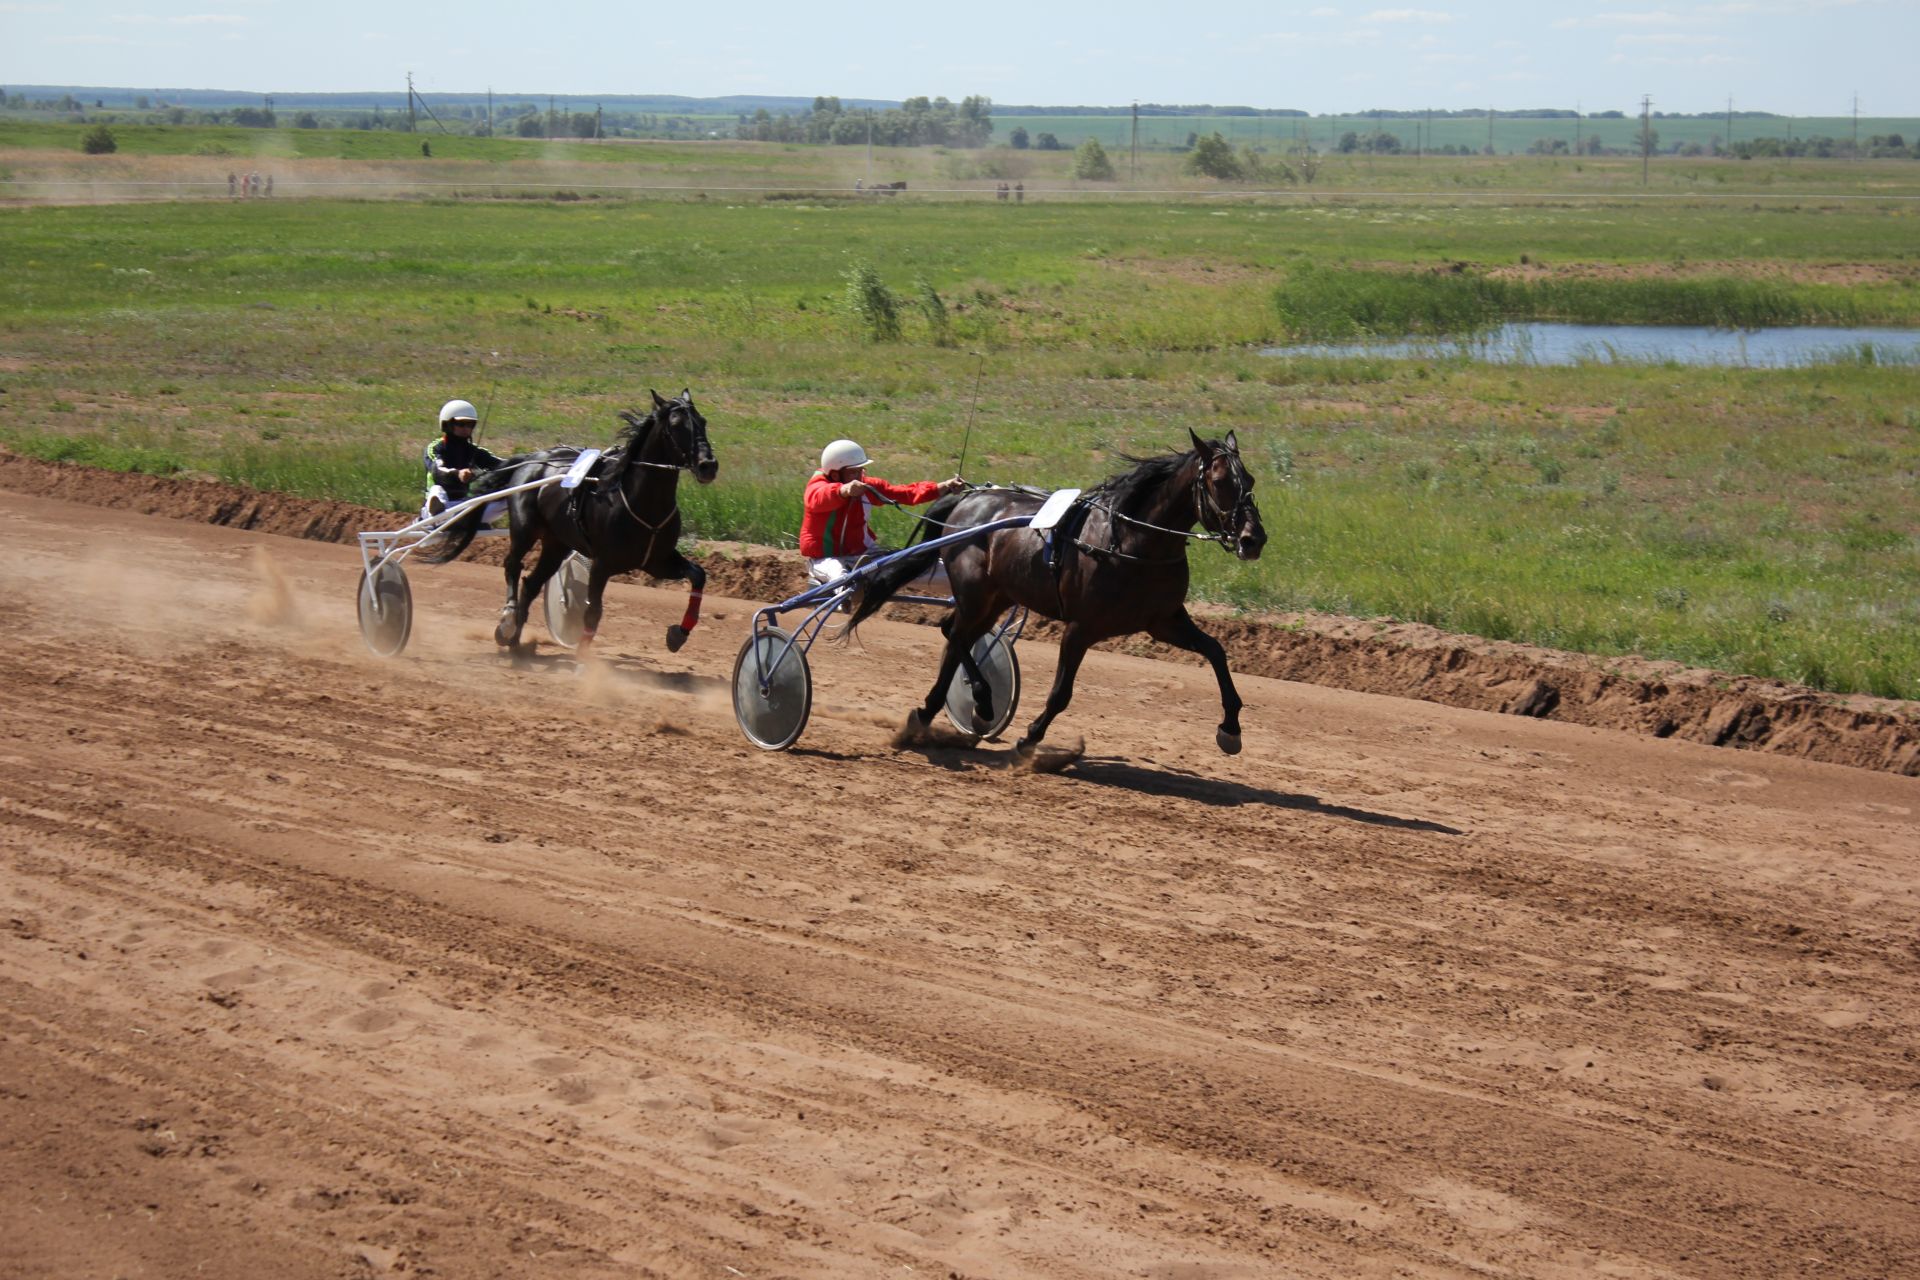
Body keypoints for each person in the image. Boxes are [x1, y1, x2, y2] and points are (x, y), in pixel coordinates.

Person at [800, 439, 963, 589]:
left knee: (913, 565)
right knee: (837, 571)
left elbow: (905, 493)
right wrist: (843, 490)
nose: (860, 477)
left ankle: (962, 580)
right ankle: (846, 594)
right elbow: (819, 498)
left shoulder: (866, 486)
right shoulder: (817, 486)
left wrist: (942, 487)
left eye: (860, 471)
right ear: (835, 474)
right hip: (824, 559)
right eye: (853, 472)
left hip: (863, 557)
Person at [421, 398, 506, 519]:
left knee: (509, 495)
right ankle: (439, 515)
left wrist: (528, 463)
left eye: (470, 424)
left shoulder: (474, 451)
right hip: (437, 508)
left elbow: (502, 464)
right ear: (447, 425)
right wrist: (458, 474)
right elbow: (438, 470)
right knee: (437, 490)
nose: (466, 428)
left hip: (464, 507)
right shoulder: (435, 448)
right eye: (461, 424)